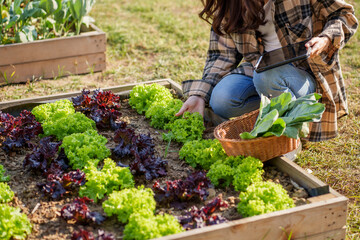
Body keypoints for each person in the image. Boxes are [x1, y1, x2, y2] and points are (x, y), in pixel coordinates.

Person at [175, 0, 358, 141]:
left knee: (267, 75)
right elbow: (222, 56)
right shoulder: (231, 6)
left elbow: (344, 14)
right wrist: (199, 95)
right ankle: (273, 122)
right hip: (260, 70)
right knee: (222, 99)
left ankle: (289, 134)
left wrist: (326, 39)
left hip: (306, 73)